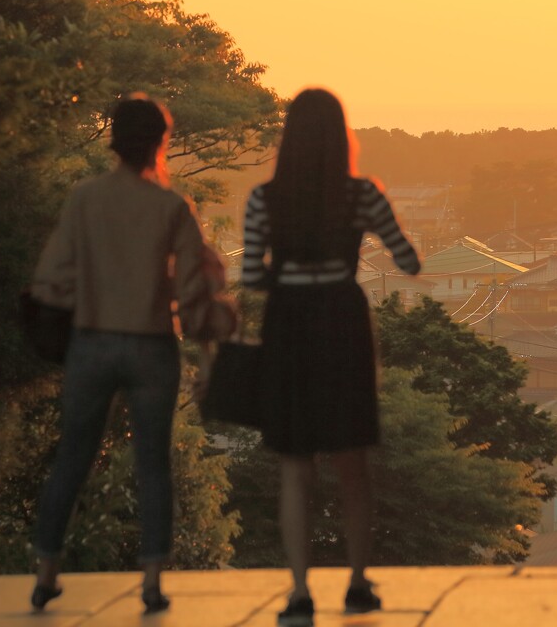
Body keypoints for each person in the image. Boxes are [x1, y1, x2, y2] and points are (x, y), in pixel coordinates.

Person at [29, 94, 236, 614]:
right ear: (160, 143)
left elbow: (50, 281)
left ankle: (46, 574)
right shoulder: (171, 207)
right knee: (152, 465)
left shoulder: (84, 199)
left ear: (113, 140)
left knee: (72, 459)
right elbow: (194, 291)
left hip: (92, 341)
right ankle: (150, 583)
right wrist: (204, 354)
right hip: (150, 344)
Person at [241, 88, 420, 624]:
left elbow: (251, 276)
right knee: (352, 458)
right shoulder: (361, 194)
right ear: (343, 137)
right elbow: (407, 262)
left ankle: (299, 591)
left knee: (295, 462)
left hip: (289, 320)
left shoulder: (264, 198)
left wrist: (286, 274)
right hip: (342, 318)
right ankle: (358, 583)